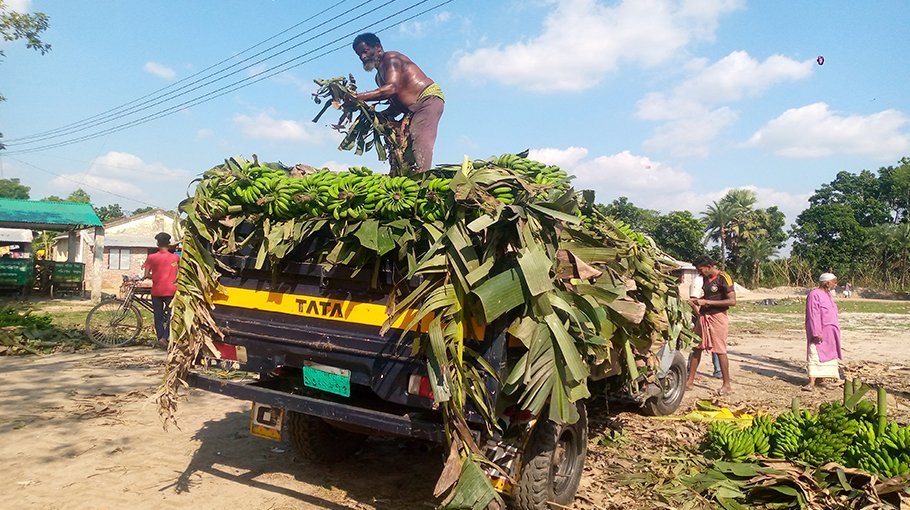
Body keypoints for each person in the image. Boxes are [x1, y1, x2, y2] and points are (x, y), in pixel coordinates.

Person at [351, 32, 444, 172]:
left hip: (427, 99)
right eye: (359, 55)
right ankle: (404, 175)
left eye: (365, 51)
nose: (363, 57)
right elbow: (397, 105)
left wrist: (357, 97)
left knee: (418, 135)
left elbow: (391, 89)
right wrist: (377, 116)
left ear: (377, 47)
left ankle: (422, 178)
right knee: (401, 144)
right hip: (410, 110)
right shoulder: (378, 77)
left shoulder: (391, 58)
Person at [686, 256, 737, 396]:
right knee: (697, 347)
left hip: (718, 317)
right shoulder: (705, 280)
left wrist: (706, 302)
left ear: (709, 266)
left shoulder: (724, 278)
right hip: (704, 317)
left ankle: (727, 384)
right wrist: (698, 302)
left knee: (720, 350)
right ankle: (690, 381)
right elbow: (710, 298)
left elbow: (732, 301)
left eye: (701, 270)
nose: (699, 273)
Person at [803, 272, 843, 391]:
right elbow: (813, 314)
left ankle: (822, 380)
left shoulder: (829, 295)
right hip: (819, 331)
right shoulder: (814, 294)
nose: (836, 284)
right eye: (834, 282)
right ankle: (812, 382)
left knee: (829, 356)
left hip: (830, 332)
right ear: (827, 283)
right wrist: (816, 332)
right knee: (815, 354)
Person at [143, 232, 180, 347]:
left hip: (157, 291)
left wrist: (154, 276)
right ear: (169, 244)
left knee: (158, 315)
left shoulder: (151, 257)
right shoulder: (175, 257)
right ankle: (165, 337)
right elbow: (179, 273)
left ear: (157, 243)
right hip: (171, 291)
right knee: (171, 315)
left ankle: (160, 338)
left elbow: (146, 274)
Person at [689, 272, 723, 378]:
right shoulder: (698, 281)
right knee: (698, 344)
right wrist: (699, 315)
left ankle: (717, 369)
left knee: (715, 341)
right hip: (700, 315)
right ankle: (690, 369)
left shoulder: (712, 281)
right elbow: (692, 301)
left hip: (711, 315)